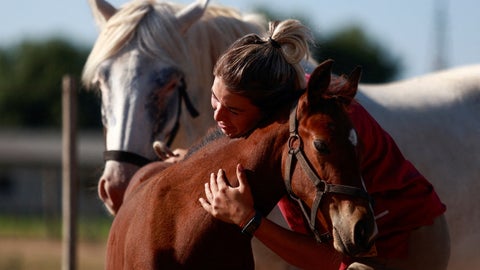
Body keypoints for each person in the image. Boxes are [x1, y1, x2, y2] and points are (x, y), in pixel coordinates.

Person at [196, 19, 450, 270]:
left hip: (406, 241)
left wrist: (247, 218)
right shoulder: (290, 102)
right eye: (214, 98)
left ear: (269, 111)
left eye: (233, 109)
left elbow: (329, 261)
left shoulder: (316, 127)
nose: (218, 115)